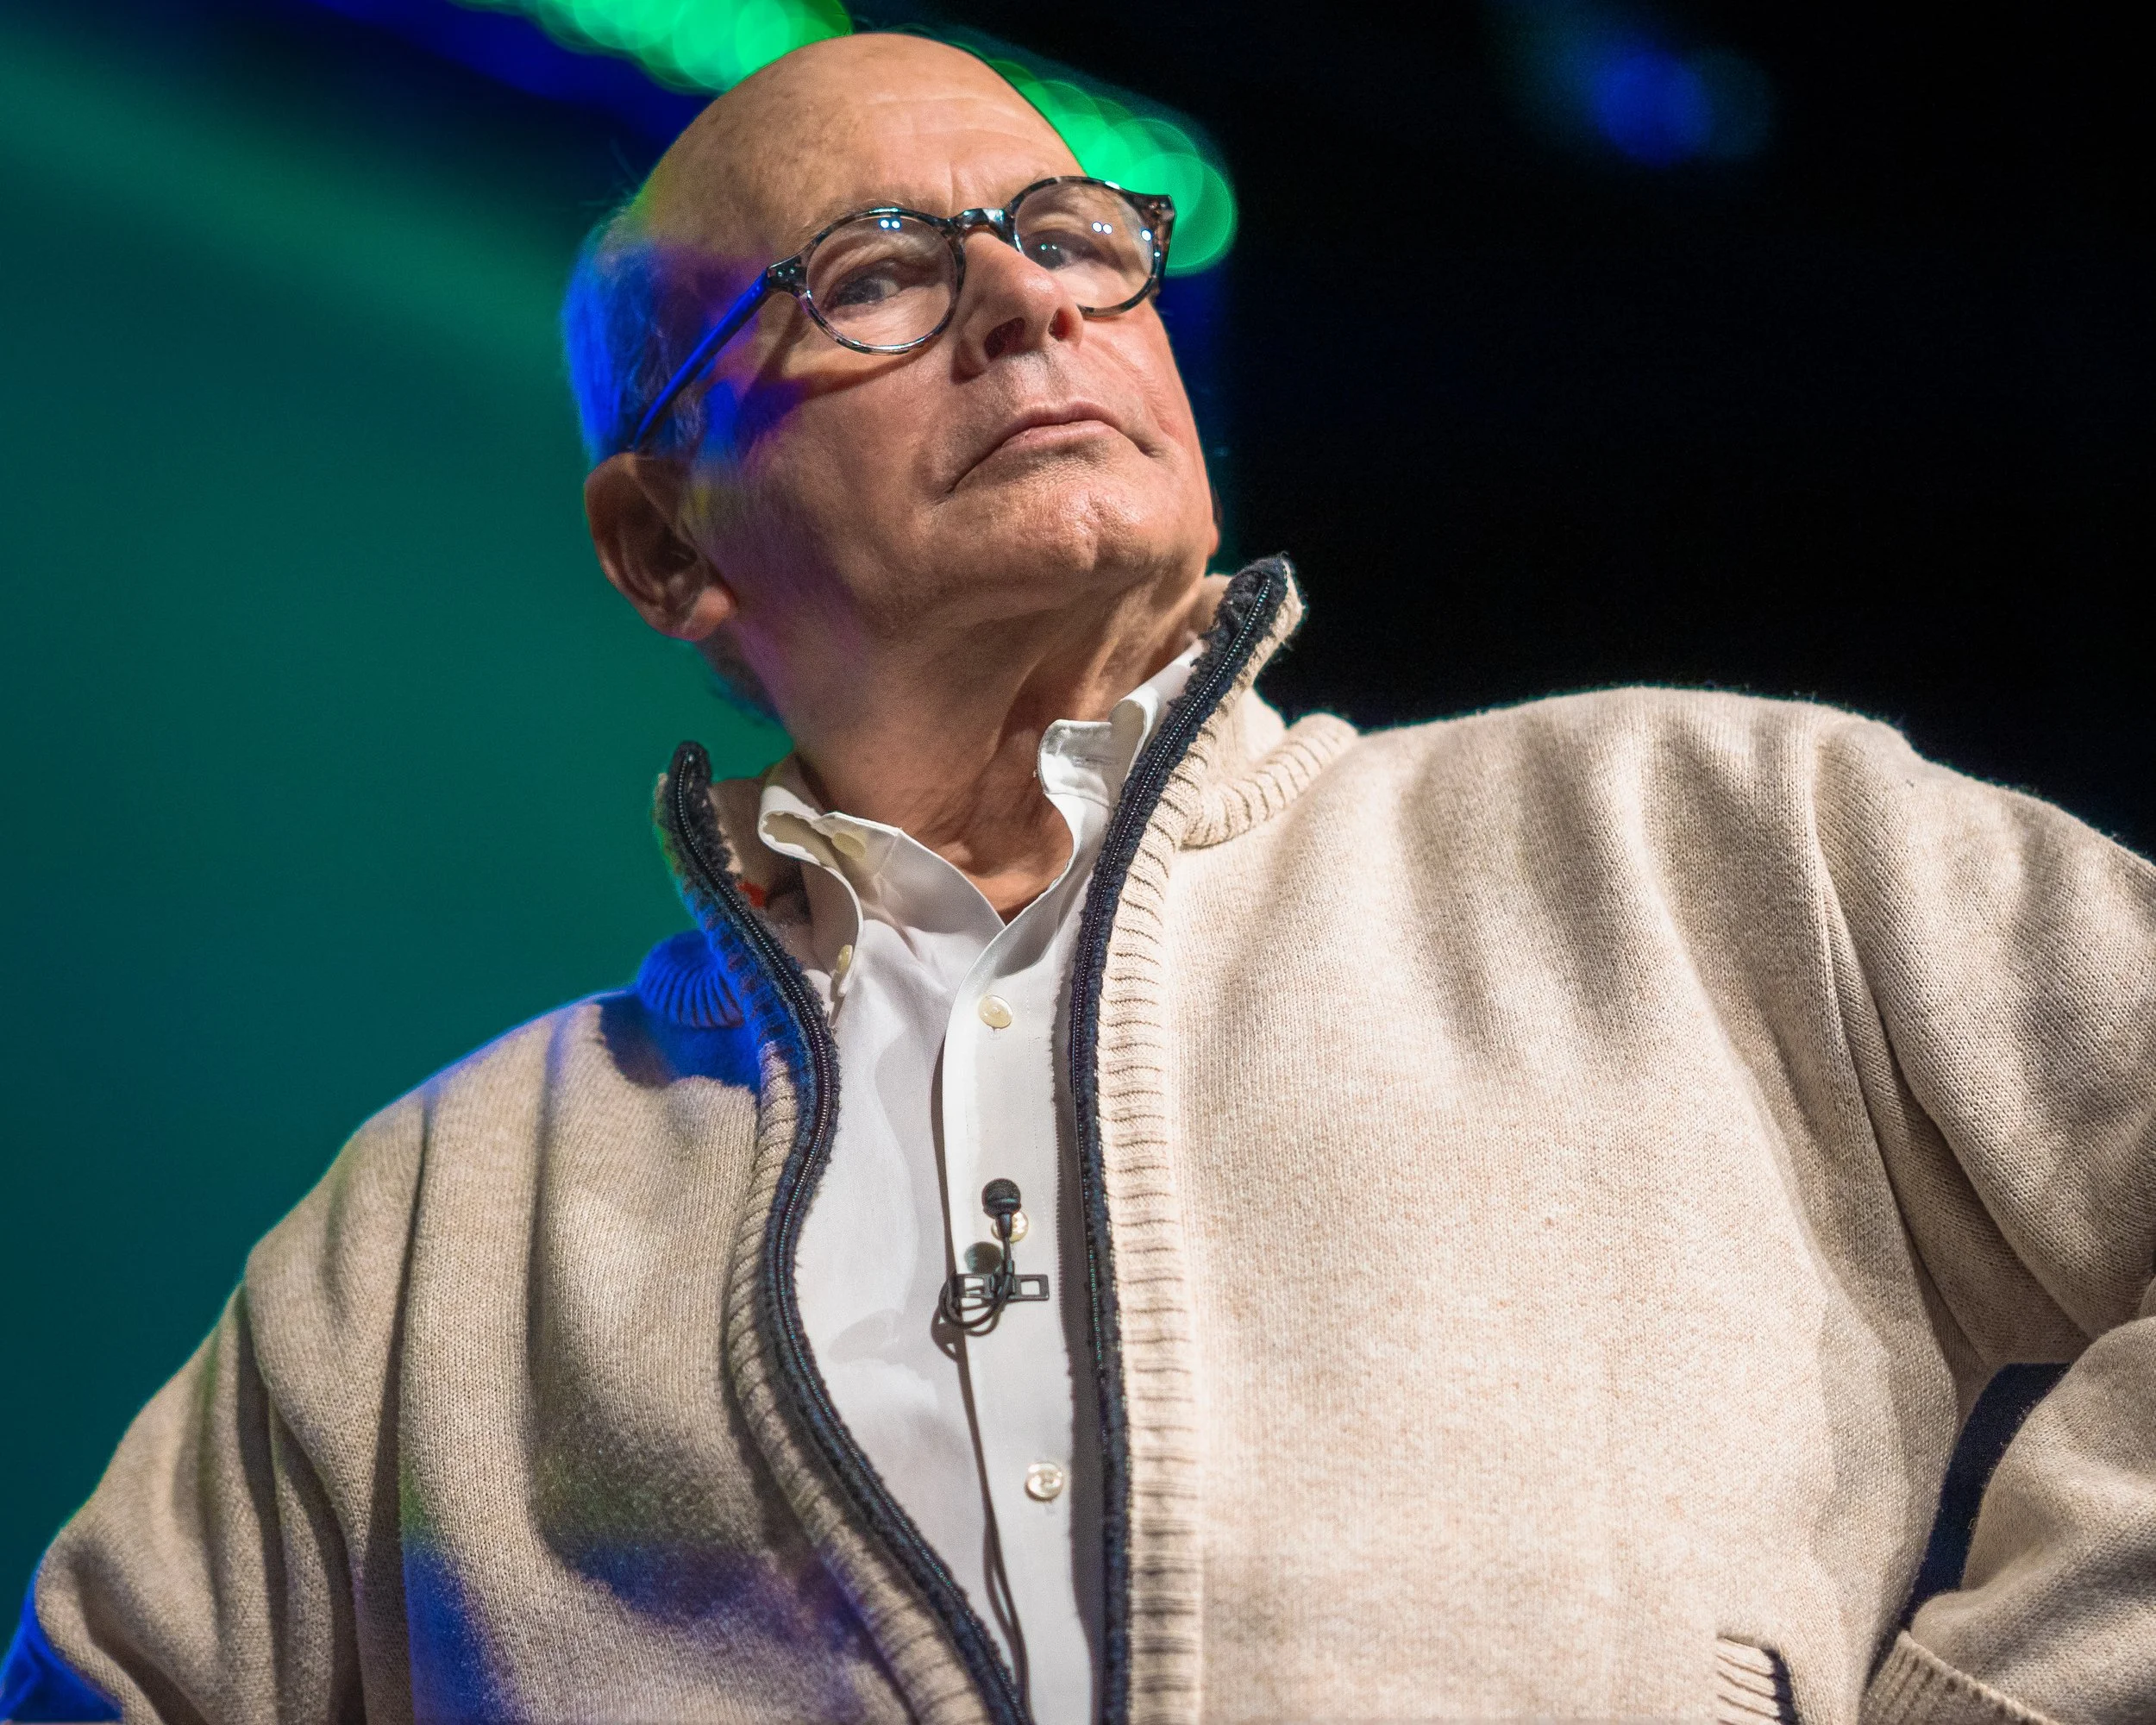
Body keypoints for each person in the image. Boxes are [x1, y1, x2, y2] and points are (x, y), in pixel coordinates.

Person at [9, 30, 2153, 1725]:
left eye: (1066, 229)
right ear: (666, 544)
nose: (1025, 299)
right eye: (870, 277)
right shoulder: (434, 1233)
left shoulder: (1689, 836)